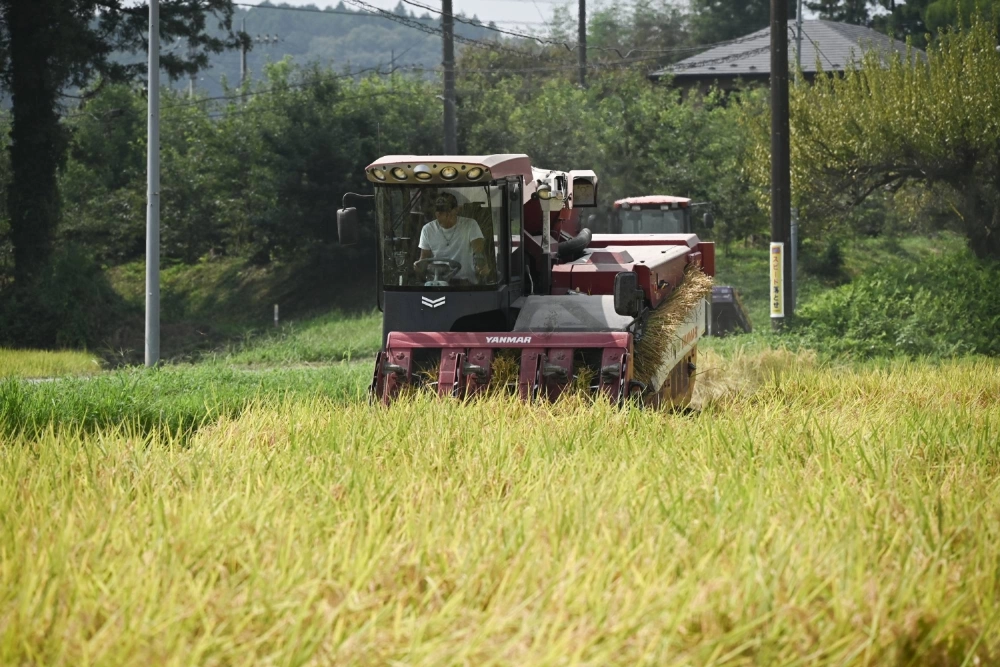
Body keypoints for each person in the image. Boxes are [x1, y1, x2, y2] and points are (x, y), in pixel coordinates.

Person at [415, 192, 490, 284]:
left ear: (457, 210)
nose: (443, 216)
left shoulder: (470, 225)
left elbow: (478, 251)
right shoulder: (427, 229)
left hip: (464, 283)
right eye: (439, 212)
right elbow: (424, 258)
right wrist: (419, 266)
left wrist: (481, 265)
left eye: (447, 212)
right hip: (437, 282)